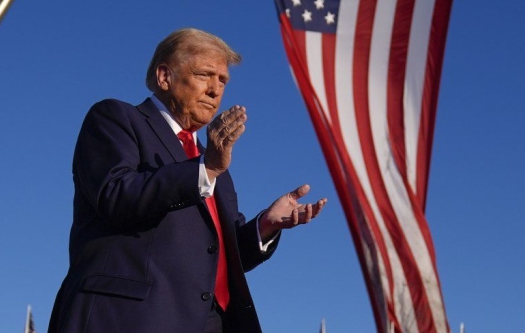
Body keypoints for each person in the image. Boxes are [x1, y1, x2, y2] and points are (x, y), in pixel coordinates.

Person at [48, 28, 327, 333]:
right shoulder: (116, 119)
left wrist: (265, 226)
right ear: (164, 77)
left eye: (222, 81)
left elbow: (214, 256)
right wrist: (204, 170)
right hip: (126, 318)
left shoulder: (214, 164)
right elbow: (116, 196)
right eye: (204, 74)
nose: (215, 90)